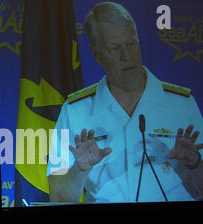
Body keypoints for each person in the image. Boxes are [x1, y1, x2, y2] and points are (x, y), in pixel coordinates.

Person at [47, 2, 203, 203]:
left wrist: (195, 162)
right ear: (96, 54)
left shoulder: (182, 104)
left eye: (131, 44)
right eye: (115, 48)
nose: (127, 56)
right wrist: (80, 169)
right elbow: (58, 197)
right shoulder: (75, 111)